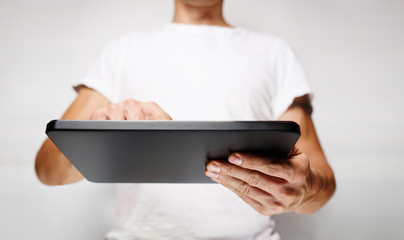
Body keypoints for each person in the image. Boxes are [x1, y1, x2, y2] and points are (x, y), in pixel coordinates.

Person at [35, 0, 336, 239]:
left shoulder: (275, 53)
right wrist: (100, 129)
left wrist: (302, 192)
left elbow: (320, 180)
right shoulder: (122, 51)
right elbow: (49, 171)